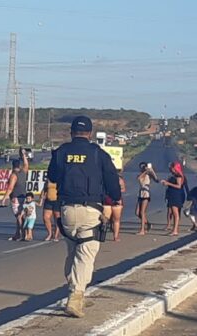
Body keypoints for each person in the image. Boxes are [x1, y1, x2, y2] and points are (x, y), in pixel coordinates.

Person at [48, 116, 121, 318]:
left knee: (73, 251)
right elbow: (112, 181)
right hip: (91, 210)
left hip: (66, 211)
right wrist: (115, 199)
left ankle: (74, 288)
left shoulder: (61, 152)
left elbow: (52, 177)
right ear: (90, 133)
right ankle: (76, 296)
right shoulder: (98, 154)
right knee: (86, 254)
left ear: (71, 132)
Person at [0, 155, 29, 241]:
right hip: (23, 196)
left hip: (15, 197)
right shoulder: (23, 172)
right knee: (22, 216)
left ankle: (22, 234)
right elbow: (26, 164)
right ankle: (18, 234)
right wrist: (24, 156)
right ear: (19, 166)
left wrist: (4, 198)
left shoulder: (14, 175)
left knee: (19, 216)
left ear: (12, 166)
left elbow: (10, 188)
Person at [161, 161, 186, 236]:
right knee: (173, 212)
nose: (170, 169)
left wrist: (168, 183)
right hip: (172, 194)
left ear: (174, 168)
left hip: (176, 195)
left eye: (171, 168)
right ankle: (174, 229)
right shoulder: (173, 175)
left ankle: (175, 230)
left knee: (175, 213)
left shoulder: (178, 176)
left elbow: (179, 186)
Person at [136, 162, 159, 235]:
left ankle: (142, 230)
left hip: (146, 194)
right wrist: (145, 172)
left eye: (144, 167)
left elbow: (157, 180)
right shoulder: (141, 174)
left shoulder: (149, 175)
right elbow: (138, 178)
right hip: (140, 194)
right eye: (141, 167)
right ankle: (148, 224)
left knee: (142, 212)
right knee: (137, 212)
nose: (142, 168)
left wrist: (151, 171)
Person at [103, 173, 126, 241]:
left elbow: (123, 189)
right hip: (108, 200)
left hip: (116, 200)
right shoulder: (105, 179)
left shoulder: (119, 179)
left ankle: (115, 236)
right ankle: (103, 235)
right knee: (105, 219)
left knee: (116, 219)